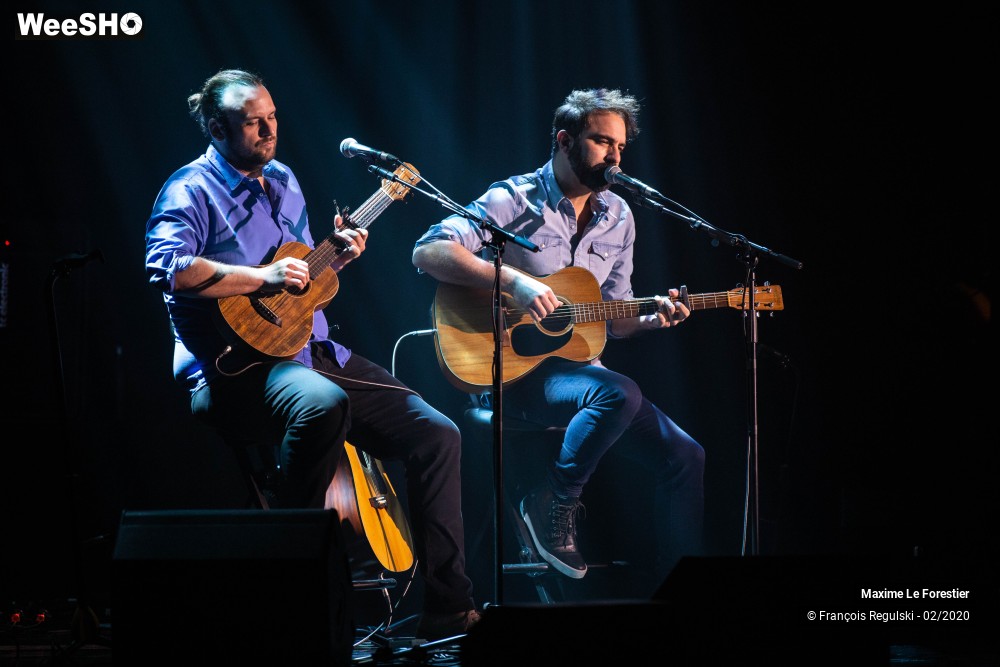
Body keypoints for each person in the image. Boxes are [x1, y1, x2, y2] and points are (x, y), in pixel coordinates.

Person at [144, 68, 479, 639]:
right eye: (252, 122)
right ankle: (294, 585)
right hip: (233, 369)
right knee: (321, 405)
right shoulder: (190, 189)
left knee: (437, 433)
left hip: (308, 350)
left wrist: (335, 260)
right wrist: (261, 276)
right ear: (216, 127)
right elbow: (167, 268)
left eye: (272, 116)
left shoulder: (284, 179)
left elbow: (298, 286)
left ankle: (449, 605)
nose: (268, 130)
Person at [412, 88, 705, 584]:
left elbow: (614, 315)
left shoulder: (619, 216)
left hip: (579, 376)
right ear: (565, 141)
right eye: (602, 142)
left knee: (686, 457)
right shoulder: (512, 198)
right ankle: (553, 499)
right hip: (510, 371)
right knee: (618, 393)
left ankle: (679, 591)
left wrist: (652, 318)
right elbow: (428, 251)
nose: (614, 157)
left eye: (620, 147)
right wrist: (514, 282)